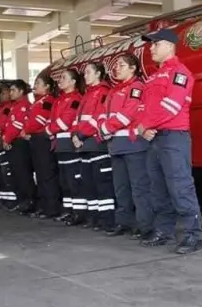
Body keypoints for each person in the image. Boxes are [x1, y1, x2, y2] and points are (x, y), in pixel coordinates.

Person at [137, 28, 202, 254]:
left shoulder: (179, 72)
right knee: (158, 188)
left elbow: (171, 107)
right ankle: (163, 231)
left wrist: (146, 125)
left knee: (180, 187)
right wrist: (142, 128)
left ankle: (192, 235)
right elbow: (144, 108)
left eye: (155, 44)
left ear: (168, 45)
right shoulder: (154, 76)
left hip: (173, 138)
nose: (151, 48)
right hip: (154, 139)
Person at [99, 54, 154, 240]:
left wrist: (106, 128)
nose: (117, 68)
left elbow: (129, 112)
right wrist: (103, 128)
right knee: (121, 187)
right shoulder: (114, 91)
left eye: (122, 65)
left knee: (139, 188)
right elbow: (104, 113)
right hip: (116, 145)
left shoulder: (136, 87)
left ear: (133, 68)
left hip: (134, 144)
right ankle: (124, 223)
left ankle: (145, 226)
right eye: (116, 65)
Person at [72, 62, 114, 232]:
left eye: (88, 72)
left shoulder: (103, 92)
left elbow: (98, 118)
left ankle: (107, 221)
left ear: (98, 74)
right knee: (88, 183)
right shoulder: (87, 95)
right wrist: (74, 135)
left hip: (96, 145)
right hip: (83, 146)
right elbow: (77, 120)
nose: (85, 76)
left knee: (102, 184)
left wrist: (80, 135)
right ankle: (94, 218)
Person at [46, 68, 84, 224]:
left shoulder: (75, 98)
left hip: (69, 144)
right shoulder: (59, 100)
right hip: (59, 145)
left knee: (73, 180)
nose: (59, 80)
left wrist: (50, 129)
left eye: (63, 77)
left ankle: (79, 213)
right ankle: (68, 211)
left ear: (73, 81)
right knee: (64, 181)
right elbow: (51, 120)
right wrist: (50, 128)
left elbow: (65, 121)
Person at [23, 75, 59, 219]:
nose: (35, 86)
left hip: (42, 139)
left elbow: (40, 120)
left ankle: (52, 207)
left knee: (47, 174)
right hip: (34, 140)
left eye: (38, 83)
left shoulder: (48, 101)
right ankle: (43, 206)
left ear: (47, 87)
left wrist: (27, 130)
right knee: (40, 174)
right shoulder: (36, 102)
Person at [2, 79, 36, 215]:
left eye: (13, 90)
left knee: (23, 174)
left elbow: (17, 126)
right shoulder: (14, 106)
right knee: (16, 174)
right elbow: (8, 125)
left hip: (20, 144)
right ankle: (22, 201)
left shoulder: (23, 106)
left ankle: (30, 201)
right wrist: (5, 139)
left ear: (21, 91)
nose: (11, 93)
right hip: (12, 143)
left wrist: (7, 139)